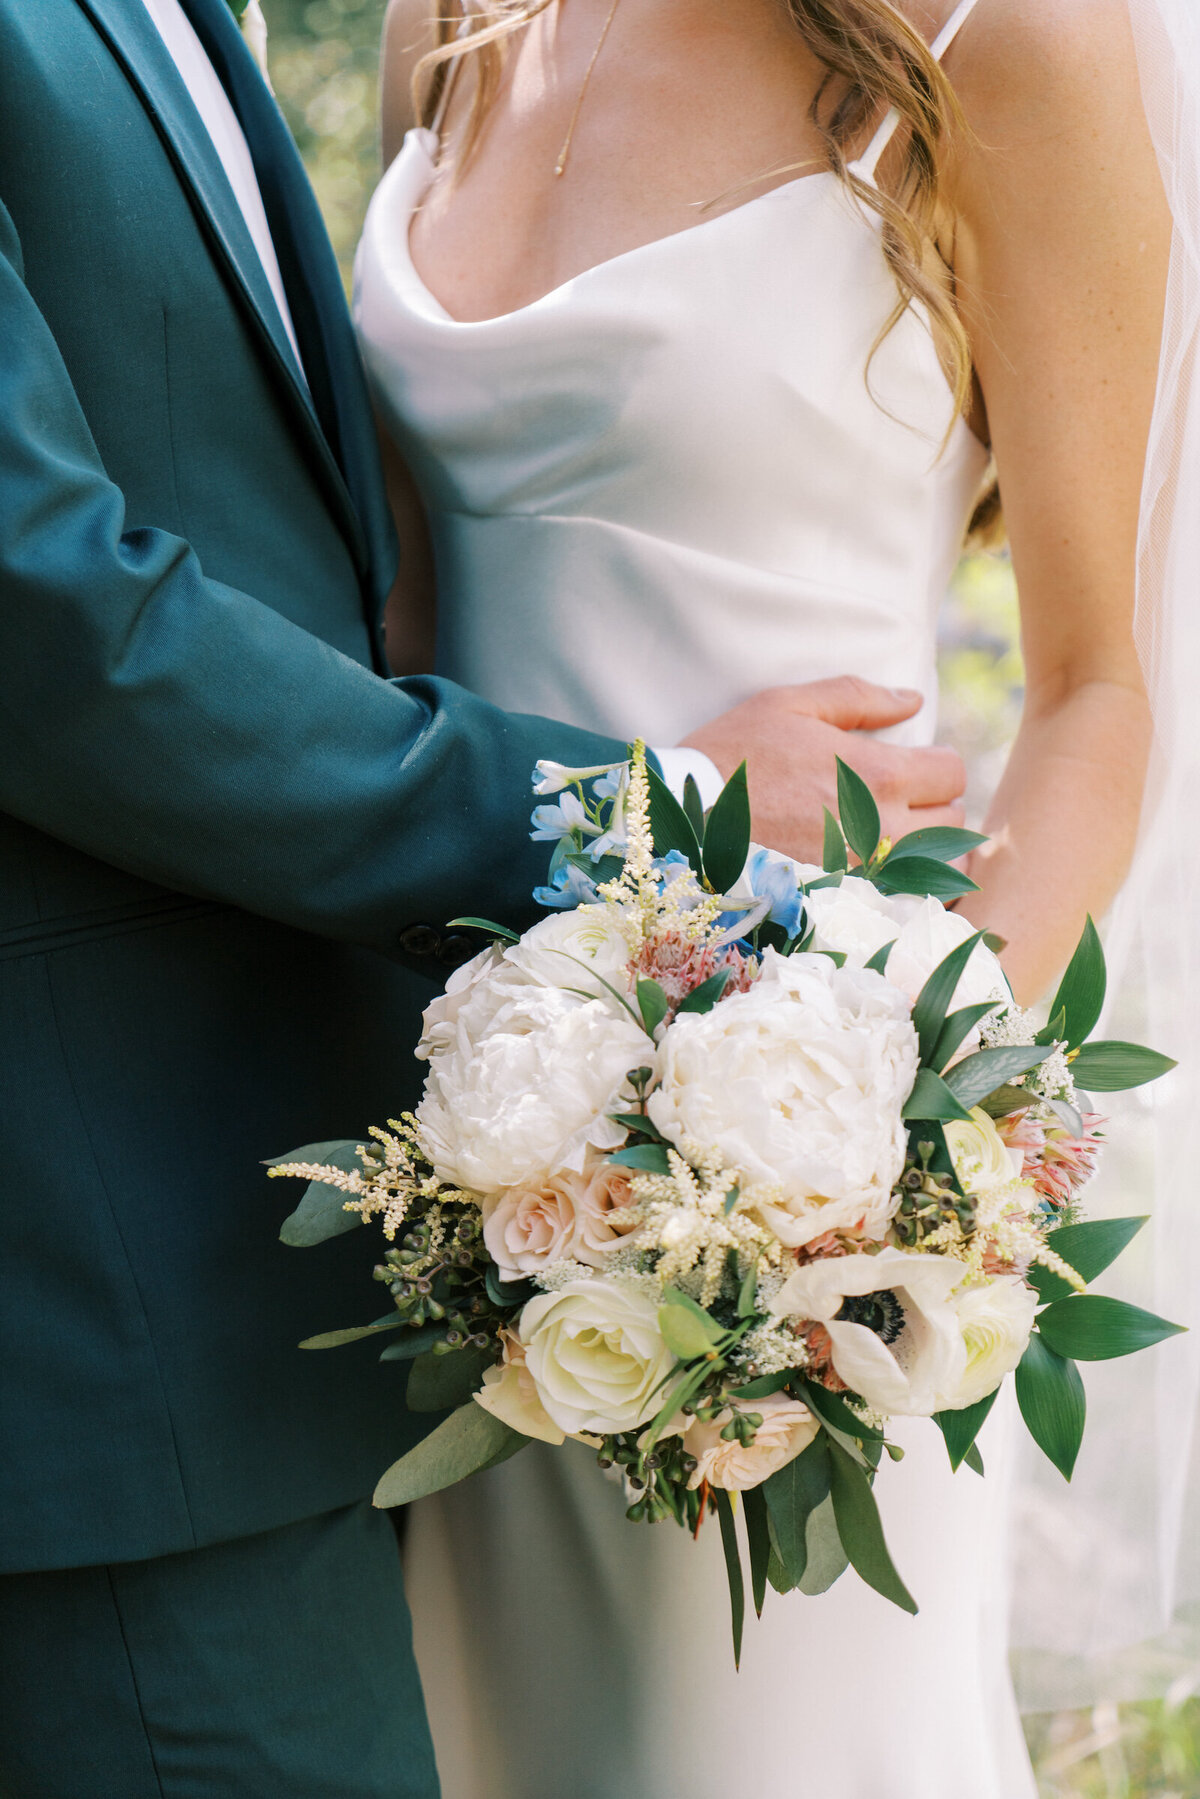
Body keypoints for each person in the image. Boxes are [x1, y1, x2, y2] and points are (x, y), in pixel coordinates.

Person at [0, 3, 962, 1795]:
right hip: (134, 1327)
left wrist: (937, 1161)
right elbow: (46, 614)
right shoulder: (454, 38)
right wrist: (633, 825)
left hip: (472, 1228)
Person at [355, 0, 1172, 1791]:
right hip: (473, 1189)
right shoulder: (455, 21)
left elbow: (1096, 698)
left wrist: (884, 1174)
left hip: (792, 1241)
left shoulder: (1009, 37)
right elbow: (403, 628)